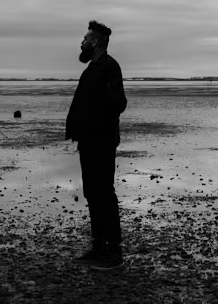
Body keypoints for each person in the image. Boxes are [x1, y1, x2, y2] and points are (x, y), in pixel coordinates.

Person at [65, 20, 127, 270]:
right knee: (92, 193)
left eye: (85, 38)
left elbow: (119, 103)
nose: (81, 42)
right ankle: (98, 246)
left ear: (96, 42)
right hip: (89, 141)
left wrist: (96, 123)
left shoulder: (109, 66)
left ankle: (113, 252)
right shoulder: (93, 66)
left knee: (104, 193)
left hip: (101, 142)